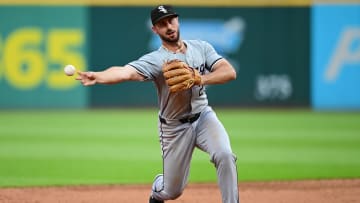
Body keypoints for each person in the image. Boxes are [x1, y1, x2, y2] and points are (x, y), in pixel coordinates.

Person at [76, 5, 239, 203]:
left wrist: (200, 78)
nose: (168, 26)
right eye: (162, 24)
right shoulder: (156, 60)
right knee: (172, 191)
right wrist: (99, 76)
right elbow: (126, 72)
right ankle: (157, 190)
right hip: (174, 127)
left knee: (225, 154)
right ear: (155, 29)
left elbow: (229, 72)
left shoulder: (202, 48)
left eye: (171, 20)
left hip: (204, 116)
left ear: (178, 20)